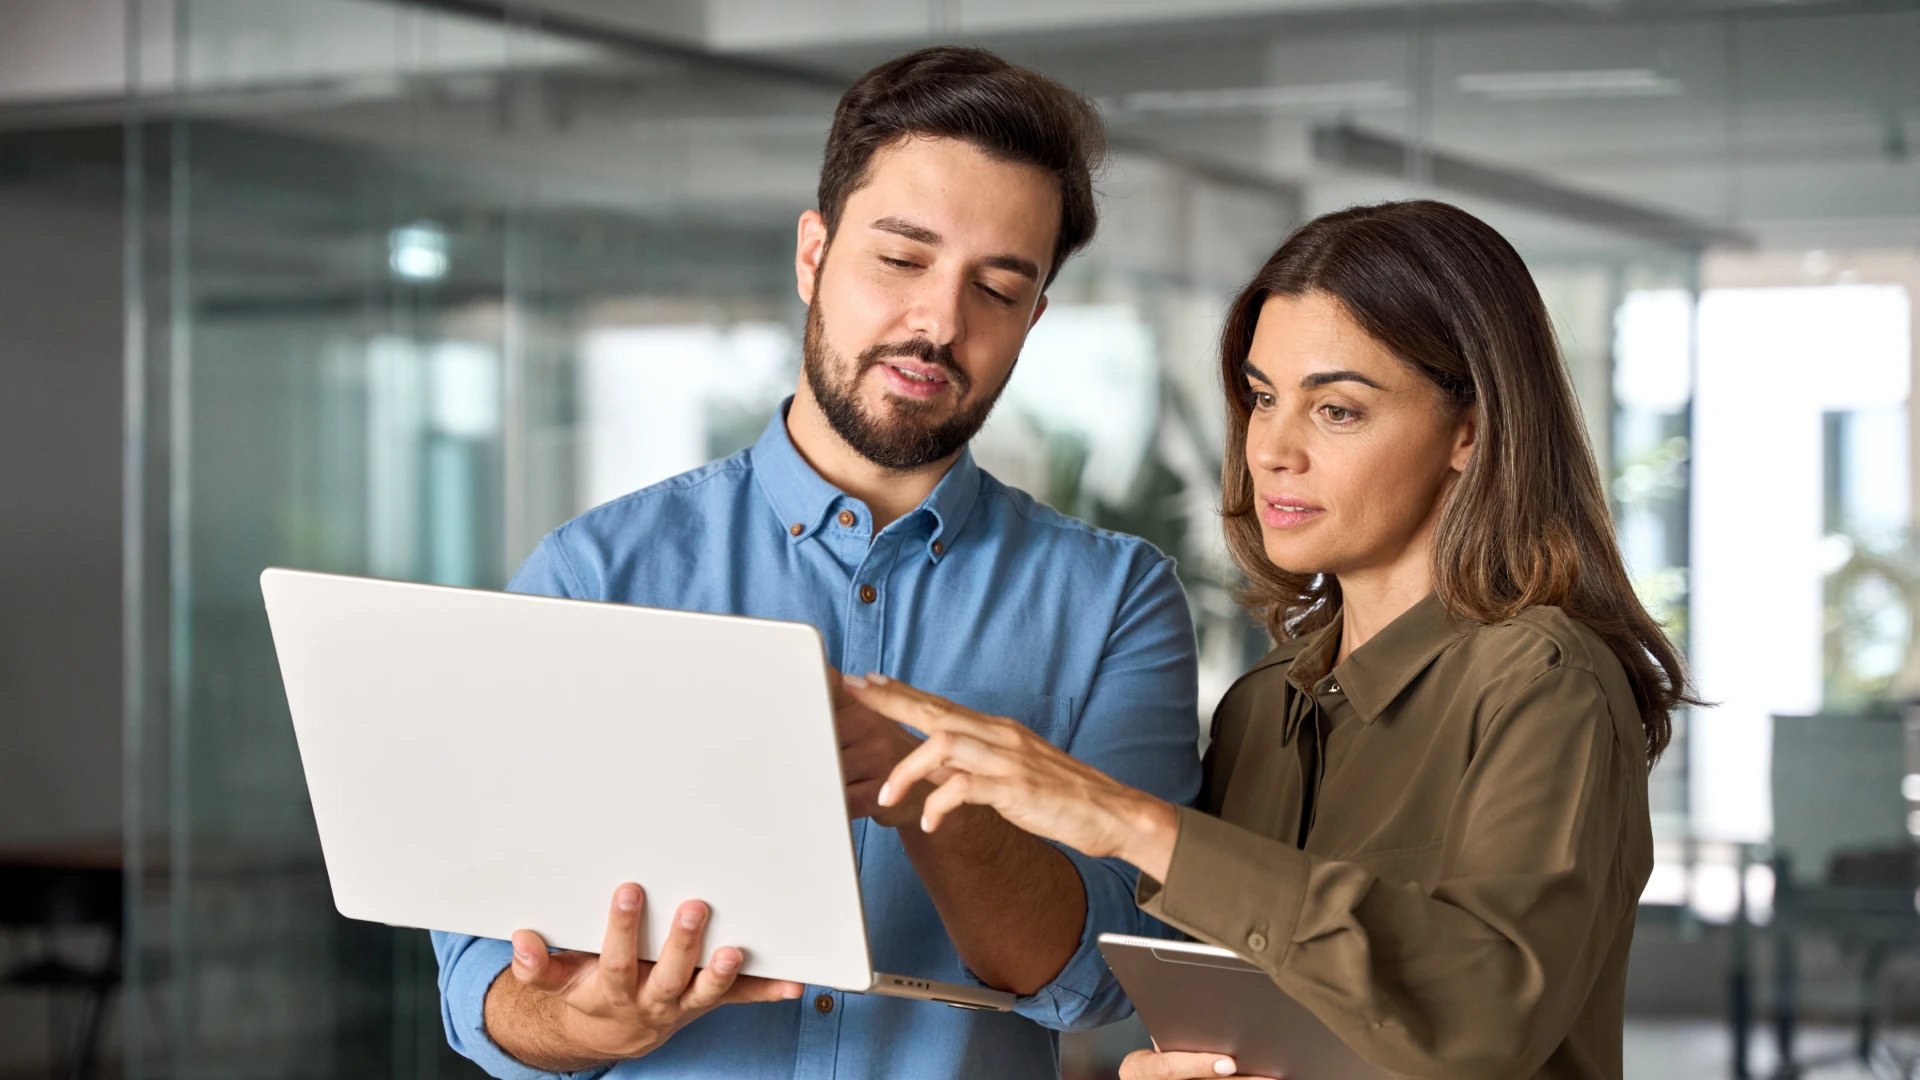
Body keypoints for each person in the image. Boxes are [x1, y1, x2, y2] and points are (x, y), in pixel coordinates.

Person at [429, 46, 1204, 1080]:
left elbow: (1108, 976)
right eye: (901, 258)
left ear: (1033, 319)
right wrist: (582, 1023)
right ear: (813, 253)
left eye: (999, 287)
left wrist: (916, 784)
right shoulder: (594, 573)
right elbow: (479, 976)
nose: (939, 321)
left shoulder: (1116, 599)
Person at [850, 199, 1698, 1080]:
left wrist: (1132, 822)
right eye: (1262, 398)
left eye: (1336, 410)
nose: (1273, 450)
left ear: (1471, 429)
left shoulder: (1543, 680)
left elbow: (1485, 1010)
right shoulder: (1262, 709)